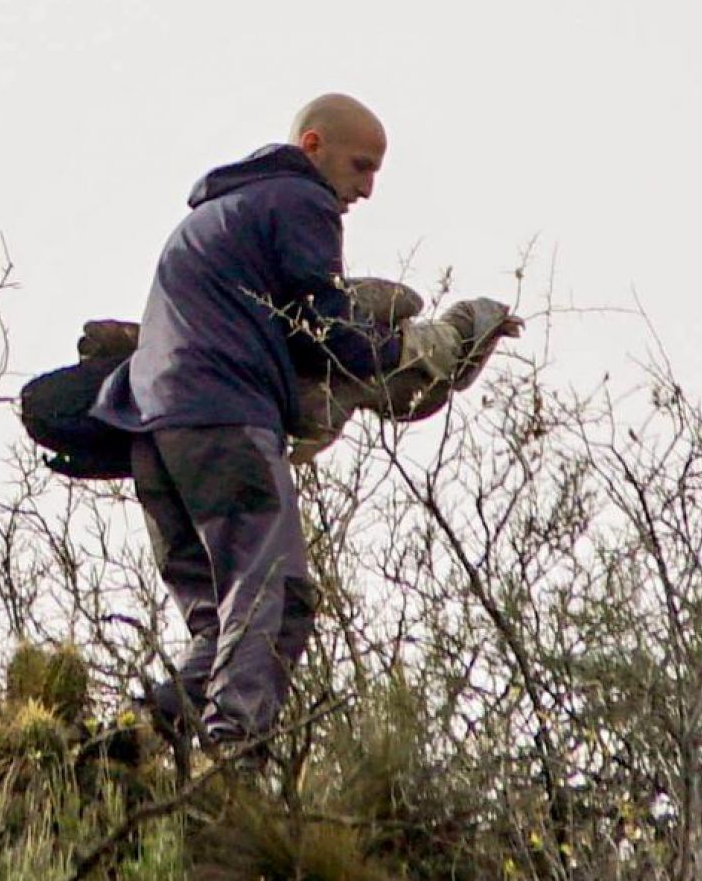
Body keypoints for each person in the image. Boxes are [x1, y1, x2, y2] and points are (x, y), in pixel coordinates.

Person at [90, 93, 521, 758]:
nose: (367, 189)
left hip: (152, 429)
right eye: (361, 166)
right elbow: (327, 333)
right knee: (275, 596)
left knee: (221, 619)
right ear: (313, 146)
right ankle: (235, 752)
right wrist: (426, 348)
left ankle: (141, 736)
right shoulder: (298, 200)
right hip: (224, 418)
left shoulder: (224, 213)